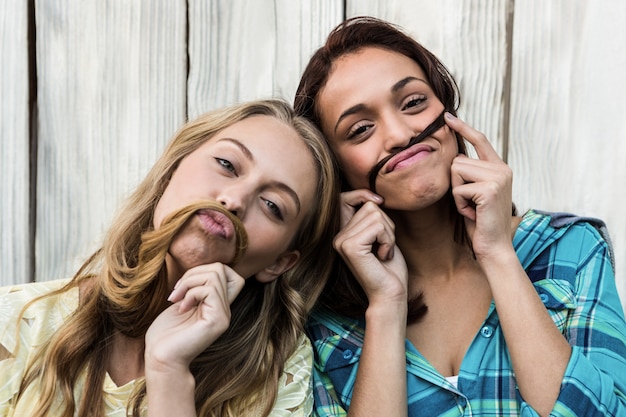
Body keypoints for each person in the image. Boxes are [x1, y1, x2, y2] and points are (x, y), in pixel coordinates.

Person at [294, 16, 626, 417]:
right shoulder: (321, 320)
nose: (399, 135)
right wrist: (386, 303)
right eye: (361, 129)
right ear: (335, 167)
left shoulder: (571, 248)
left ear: (448, 114)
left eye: (414, 103)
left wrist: (497, 253)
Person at [0, 99, 341, 417]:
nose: (235, 199)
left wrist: (169, 372)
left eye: (273, 206)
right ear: (171, 170)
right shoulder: (17, 326)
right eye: (227, 164)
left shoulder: (278, 375)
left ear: (278, 263)